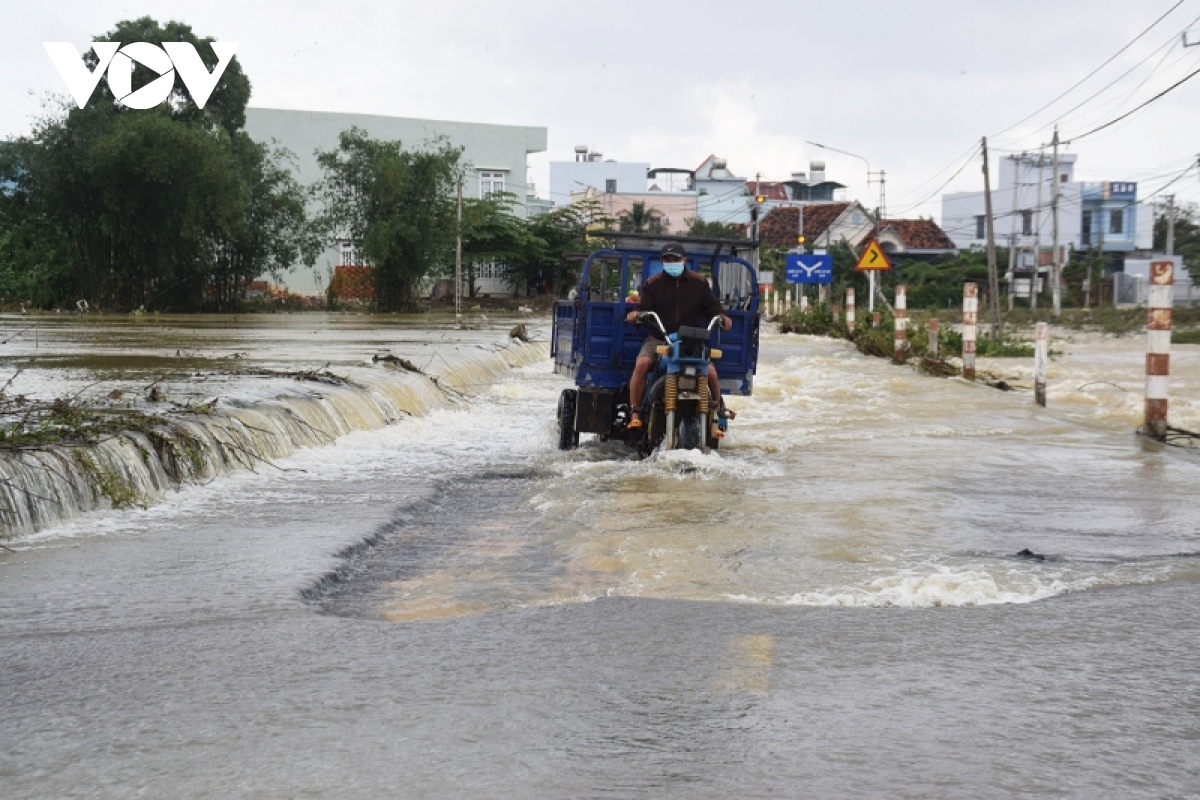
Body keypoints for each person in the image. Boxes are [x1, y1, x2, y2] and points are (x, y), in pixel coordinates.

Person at [624, 241, 731, 430]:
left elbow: (712, 308)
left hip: (692, 342)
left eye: (675, 259)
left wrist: (722, 317)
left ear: (684, 260)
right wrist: (636, 315)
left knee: (712, 373)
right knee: (641, 364)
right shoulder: (652, 283)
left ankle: (718, 412)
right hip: (659, 338)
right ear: (662, 261)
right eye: (668, 259)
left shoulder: (699, 282)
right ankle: (636, 412)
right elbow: (643, 310)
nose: (672, 262)